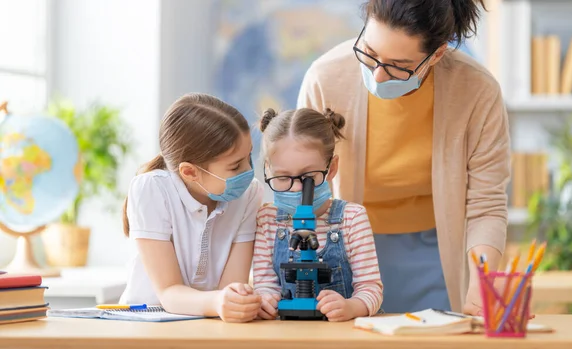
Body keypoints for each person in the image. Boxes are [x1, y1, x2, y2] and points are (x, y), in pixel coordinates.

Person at [297, 0, 510, 316]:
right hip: (347, 244)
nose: (378, 75)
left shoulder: (476, 90)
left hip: (437, 249)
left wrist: (482, 286)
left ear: (435, 55)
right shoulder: (326, 78)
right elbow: (303, 184)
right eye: (369, 52)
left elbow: (486, 204)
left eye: (398, 65)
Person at [120, 93, 263, 323]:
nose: (248, 171)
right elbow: (168, 292)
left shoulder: (249, 194)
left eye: (249, 157)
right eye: (236, 166)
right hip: (147, 325)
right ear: (189, 172)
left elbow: (232, 287)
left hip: (211, 324)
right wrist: (218, 302)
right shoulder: (152, 190)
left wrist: (239, 300)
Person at [252, 107, 383, 322]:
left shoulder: (352, 218)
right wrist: (266, 301)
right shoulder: (267, 218)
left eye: (308, 177)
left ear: (331, 168)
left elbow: (371, 289)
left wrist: (351, 307)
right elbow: (265, 285)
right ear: (268, 170)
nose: (296, 189)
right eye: (282, 177)